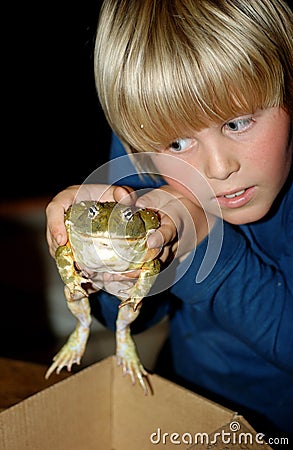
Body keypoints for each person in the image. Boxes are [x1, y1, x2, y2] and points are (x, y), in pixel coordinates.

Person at [46, 0, 293, 441]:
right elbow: (131, 318)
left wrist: (203, 244)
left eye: (237, 123)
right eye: (177, 142)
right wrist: (102, 257)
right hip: (191, 396)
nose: (218, 168)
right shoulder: (145, 136)